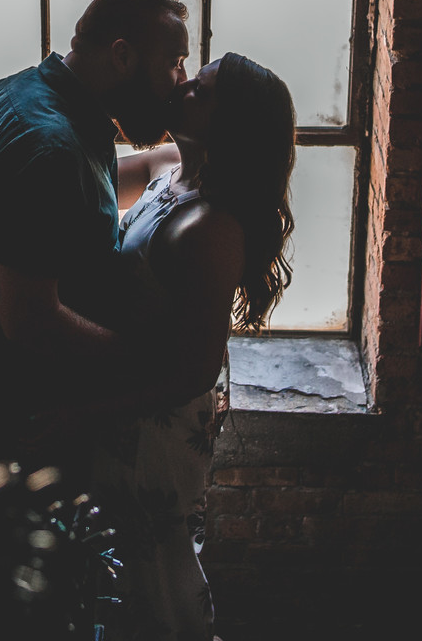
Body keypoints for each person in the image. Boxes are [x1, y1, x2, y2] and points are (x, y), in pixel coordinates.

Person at [0, 0, 190, 480]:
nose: (180, 82)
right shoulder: (50, 149)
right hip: (30, 419)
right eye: (174, 62)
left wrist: (202, 154)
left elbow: (83, 201)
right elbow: (30, 319)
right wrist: (145, 360)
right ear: (123, 55)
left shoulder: (18, 95)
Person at [87, 53, 297, 641]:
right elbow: (86, 179)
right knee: (125, 563)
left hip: (157, 418)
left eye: (199, 91)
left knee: (158, 562)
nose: (180, 89)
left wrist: (82, 412)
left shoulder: (213, 228)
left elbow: (197, 369)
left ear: (229, 126)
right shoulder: (171, 165)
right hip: (129, 395)